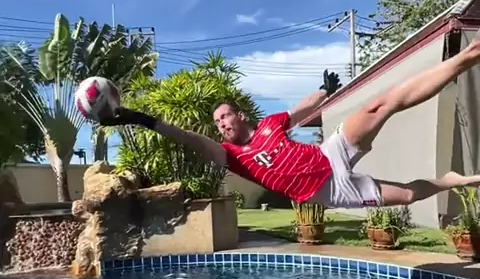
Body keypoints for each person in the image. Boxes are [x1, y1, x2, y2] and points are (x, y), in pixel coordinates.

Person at [101, 34, 480, 209]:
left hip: (329, 154)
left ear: (240, 114)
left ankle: (464, 58)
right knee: (409, 196)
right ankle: (452, 180)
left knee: (381, 104)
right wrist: (141, 119)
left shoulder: (271, 123)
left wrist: (324, 91)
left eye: (224, 116)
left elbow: (302, 109)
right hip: (331, 192)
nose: (221, 125)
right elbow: (187, 137)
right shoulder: (232, 156)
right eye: (216, 123)